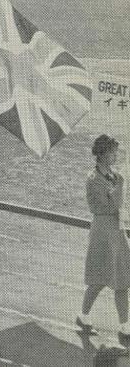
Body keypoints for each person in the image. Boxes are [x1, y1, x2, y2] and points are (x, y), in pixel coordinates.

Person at [77, 135, 129, 341]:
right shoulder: (94, 180)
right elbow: (102, 208)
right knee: (99, 280)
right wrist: (119, 189)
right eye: (113, 152)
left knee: (122, 280)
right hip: (103, 234)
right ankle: (84, 315)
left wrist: (117, 188)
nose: (116, 155)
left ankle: (124, 325)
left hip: (116, 232)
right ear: (102, 154)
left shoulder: (113, 176)